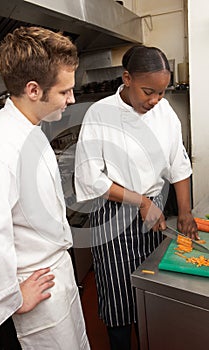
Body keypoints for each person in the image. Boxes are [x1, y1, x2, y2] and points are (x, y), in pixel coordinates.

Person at [74, 45, 198, 350]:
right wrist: (141, 202)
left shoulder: (164, 112)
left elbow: (178, 164)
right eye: (148, 92)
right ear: (126, 78)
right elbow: (90, 179)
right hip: (114, 215)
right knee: (119, 304)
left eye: (161, 92)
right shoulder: (99, 113)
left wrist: (184, 212)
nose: (155, 100)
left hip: (154, 215)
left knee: (151, 295)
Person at [0, 26, 90, 350]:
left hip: (57, 277)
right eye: (65, 91)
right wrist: (10, 299)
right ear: (34, 90)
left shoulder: (31, 127)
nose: (72, 98)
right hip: (35, 291)